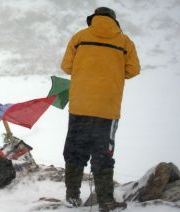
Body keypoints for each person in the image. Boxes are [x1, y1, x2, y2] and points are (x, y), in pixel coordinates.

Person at [61, 7, 140, 212]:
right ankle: (106, 201)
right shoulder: (124, 42)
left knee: (75, 152)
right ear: (114, 21)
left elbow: (66, 67)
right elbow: (133, 70)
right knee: (103, 154)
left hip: (80, 106)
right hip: (107, 109)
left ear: (93, 19)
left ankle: (72, 197)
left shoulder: (79, 37)